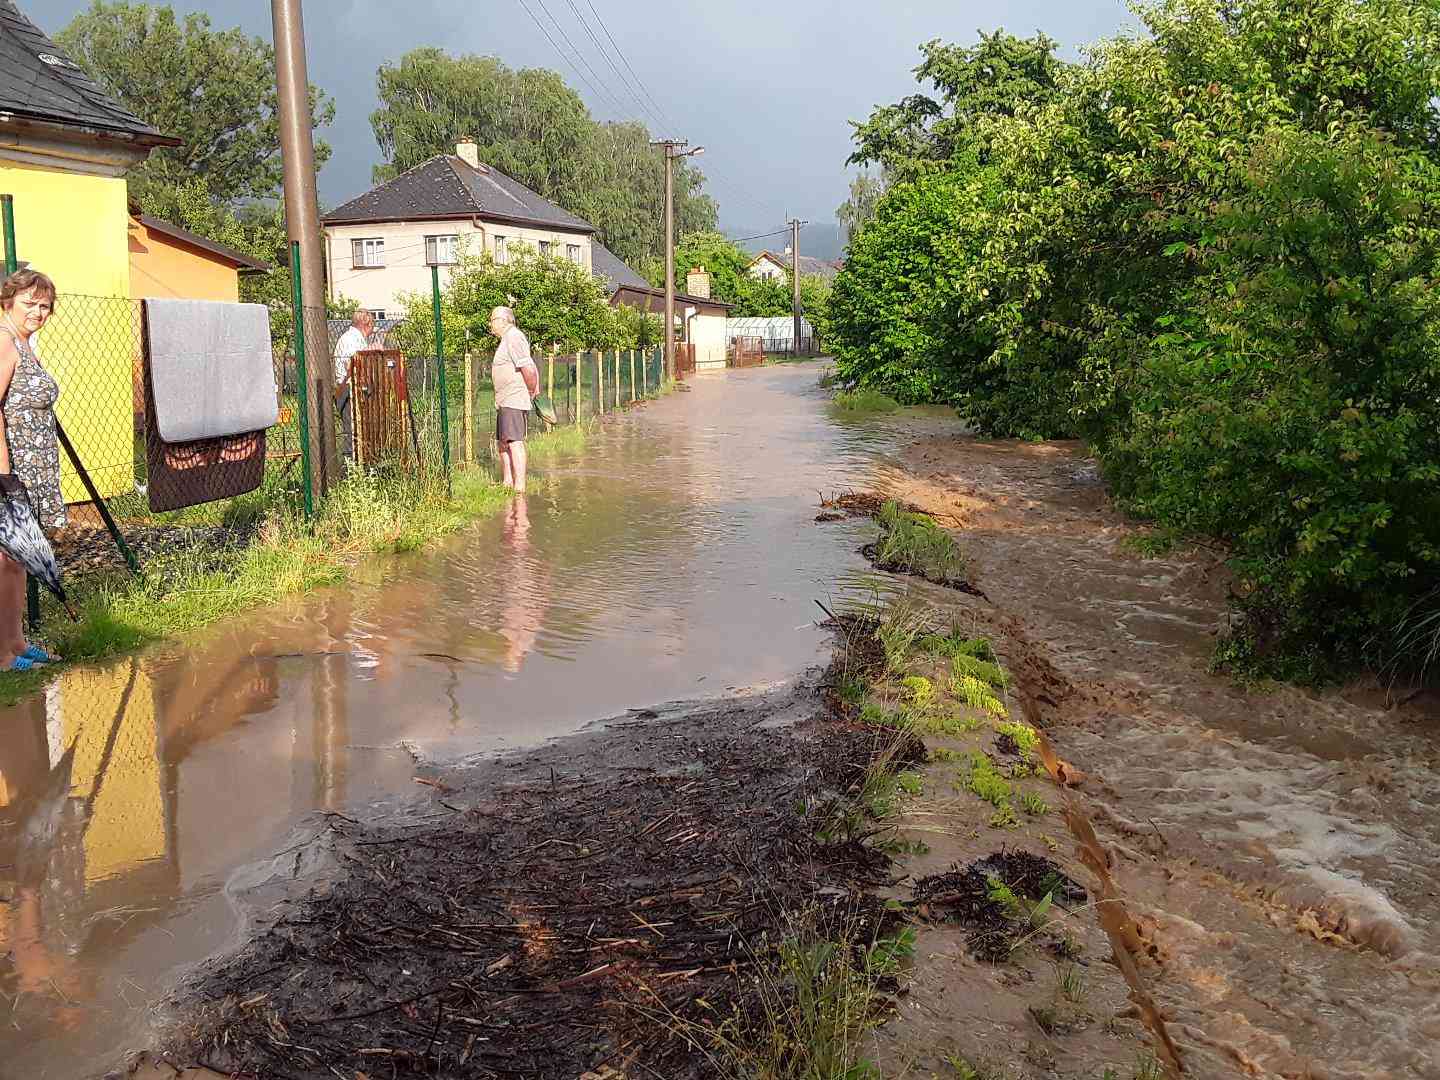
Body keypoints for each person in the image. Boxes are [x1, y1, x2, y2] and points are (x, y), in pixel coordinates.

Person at [0, 269, 64, 671]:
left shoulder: (22, 343)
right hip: (10, 472)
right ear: (7, 302)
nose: (38, 312)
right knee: (5, 561)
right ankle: (3, 659)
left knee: (16, 560)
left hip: (30, 470)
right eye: (30, 303)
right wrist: (3, 472)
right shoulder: (4, 343)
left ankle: (17, 644)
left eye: (45, 306)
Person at [489, 307, 539, 492]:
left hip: (513, 398)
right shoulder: (507, 339)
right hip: (504, 400)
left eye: (493, 319)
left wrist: (532, 388)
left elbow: (528, 367)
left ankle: (519, 488)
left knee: (514, 441)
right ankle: (507, 482)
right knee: (503, 441)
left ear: (504, 320)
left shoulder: (514, 337)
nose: (491, 324)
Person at [332, 309, 374, 460]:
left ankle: (361, 467)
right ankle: (350, 472)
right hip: (349, 391)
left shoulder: (358, 339)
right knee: (352, 433)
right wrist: (370, 352)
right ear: (366, 323)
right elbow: (352, 364)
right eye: (372, 324)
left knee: (361, 432)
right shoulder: (350, 339)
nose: (373, 328)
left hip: (358, 390)